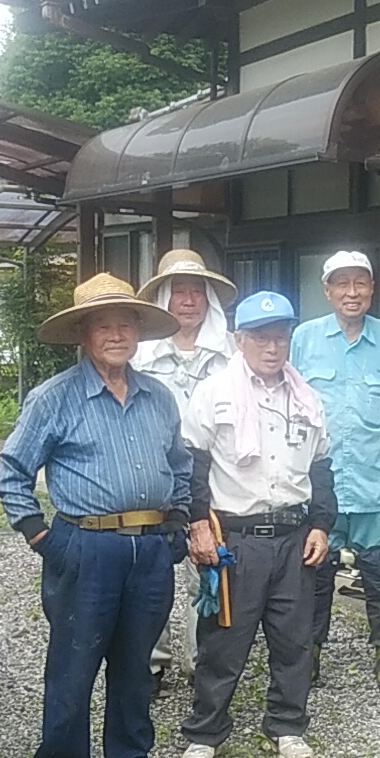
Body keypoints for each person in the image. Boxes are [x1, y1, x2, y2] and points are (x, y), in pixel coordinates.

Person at [0, 274, 190, 758]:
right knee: (73, 667)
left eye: (125, 323)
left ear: (138, 331)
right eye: (103, 324)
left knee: (136, 665)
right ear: (83, 333)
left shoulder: (159, 396)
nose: (116, 333)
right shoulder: (54, 398)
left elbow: (179, 464)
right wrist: (43, 537)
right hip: (85, 547)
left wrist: (176, 522)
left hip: (151, 549)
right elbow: (11, 473)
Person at [180, 292, 335, 758]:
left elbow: (322, 467)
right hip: (236, 539)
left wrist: (322, 525)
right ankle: (205, 733)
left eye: (281, 336)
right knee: (223, 641)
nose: (272, 346)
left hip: (294, 535)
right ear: (239, 339)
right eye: (262, 337)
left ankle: (287, 726)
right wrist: (199, 525)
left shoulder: (306, 396)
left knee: (293, 640)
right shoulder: (214, 392)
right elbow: (193, 465)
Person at [292, 251, 380, 695]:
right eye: (341, 284)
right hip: (319, 481)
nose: (352, 292)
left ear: (372, 288)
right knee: (315, 569)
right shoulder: (305, 338)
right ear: (327, 291)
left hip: (373, 478)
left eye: (360, 283)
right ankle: (310, 650)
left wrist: (374, 446)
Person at [134, 249, 238, 692]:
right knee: (152, 576)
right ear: (163, 299)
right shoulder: (139, 353)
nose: (189, 301)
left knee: (207, 569)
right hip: (153, 478)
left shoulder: (231, 352)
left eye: (198, 291)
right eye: (180, 292)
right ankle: (151, 660)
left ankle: (203, 659)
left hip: (212, 479)